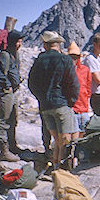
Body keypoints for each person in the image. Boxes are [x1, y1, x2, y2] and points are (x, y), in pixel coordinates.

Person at [28, 31, 79, 169]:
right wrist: (70, 102)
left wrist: (41, 98)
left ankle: (56, 169)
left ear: (46, 44)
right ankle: (64, 172)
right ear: (58, 44)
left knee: (57, 140)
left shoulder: (39, 60)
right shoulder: (65, 59)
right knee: (65, 141)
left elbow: (31, 84)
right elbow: (73, 84)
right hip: (61, 104)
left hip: (45, 106)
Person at [0, 30, 25, 161]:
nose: (20, 44)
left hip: (12, 93)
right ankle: (4, 150)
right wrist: (8, 86)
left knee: (13, 119)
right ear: (12, 42)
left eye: (21, 42)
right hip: (6, 92)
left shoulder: (14, 55)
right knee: (4, 120)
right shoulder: (5, 56)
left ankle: (12, 145)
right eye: (18, 41)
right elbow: (0, 75)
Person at [68, 41, 92, 138]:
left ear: (79, 57)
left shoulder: (85, 70)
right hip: (71, 108)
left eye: (76, 56)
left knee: (83, 132)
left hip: (84, 107)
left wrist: (86, 97)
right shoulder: (65, 70)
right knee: (73, 134)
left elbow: (88, 87)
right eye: (72, 56)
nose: (74, 59)